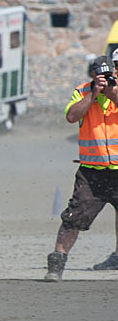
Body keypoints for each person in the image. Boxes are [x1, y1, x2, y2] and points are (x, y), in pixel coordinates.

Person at [44, 53, 118, 281]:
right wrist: (94, 94)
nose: (111, 74)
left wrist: (111, 93)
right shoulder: (83, 91)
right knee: (73, 218)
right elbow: (71, 116)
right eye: (108, 70)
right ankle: (56, 263)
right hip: (92, 172)